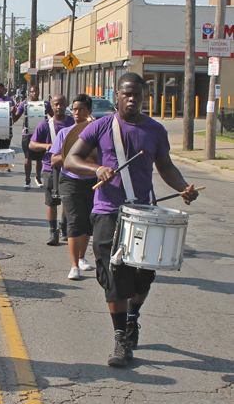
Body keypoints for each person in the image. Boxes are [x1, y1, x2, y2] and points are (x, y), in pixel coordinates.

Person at [64, 72, 198, 367]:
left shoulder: (155, 130)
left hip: (143, 214)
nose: (132, 99)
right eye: (127, 94)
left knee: (142, 280)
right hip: (107, 212)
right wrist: (96, 169)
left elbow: (165, 165)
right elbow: (71, 159)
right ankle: (120, 337)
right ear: (117, 97)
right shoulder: (100, 127)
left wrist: (183, 189)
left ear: (144, 97)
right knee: (114, 277)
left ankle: (133, 315)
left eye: (137, 94)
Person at [50, 94, 95, 280]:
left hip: (92, 180)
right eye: (74, 109)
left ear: (89, 112)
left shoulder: (96, 131)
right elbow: (54, 161)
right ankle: (74, 265)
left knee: (87, 222)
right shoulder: (64, 133)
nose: (77, 113)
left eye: (81, 109)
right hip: (70, 180)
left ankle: (82, 257)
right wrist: (71, 153)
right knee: (74, 221)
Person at [30, 94, 75, 246]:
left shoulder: (72, 123)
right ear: (52, 106)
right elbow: (32, 144)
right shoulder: (45, 125)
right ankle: (53, 230)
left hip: (68, 167)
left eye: (61, 104)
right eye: (55, 104)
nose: (58, 107)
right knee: (51, 201)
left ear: (66, 105)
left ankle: (64, 226)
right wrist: (45, 146)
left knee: (66, 198)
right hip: (50, 168)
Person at [13, 85, 54, 189]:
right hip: (27, 134)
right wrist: (13, 111)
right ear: (29, 93)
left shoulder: (45, 104)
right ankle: (27, 179)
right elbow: (15, 119)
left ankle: (38, 177)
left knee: (40, 158)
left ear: (39, 92)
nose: (34, 93)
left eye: (36, 91)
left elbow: (54, 117)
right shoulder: (24, 104)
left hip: (41, 134)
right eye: (32, 91)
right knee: (28, 158)